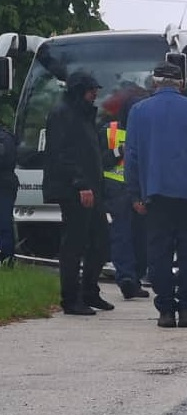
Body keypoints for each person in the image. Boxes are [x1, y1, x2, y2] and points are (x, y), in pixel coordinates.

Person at [124, 62, 187, 329]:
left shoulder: (138, 112)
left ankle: (166, 310)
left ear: (155, 82)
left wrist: (134, 193)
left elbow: (131, 157)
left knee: (159, 253)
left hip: (156, 194)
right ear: (181, 83)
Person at [41, 71, 114, 315]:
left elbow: (88, 154)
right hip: (74, 190)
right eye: (92, 90)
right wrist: (81, 183)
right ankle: (70, 299)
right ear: (79, 90)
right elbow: (62, 155)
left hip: (91, 188)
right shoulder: (63, 114)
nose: (96, 94)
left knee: (101, 243)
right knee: (74, 244)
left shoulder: (83, 115)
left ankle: (89, 292)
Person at [101, 81, 151, 299]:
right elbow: (100, 161)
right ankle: (127, 278)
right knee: (122, 235)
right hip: (117, 190)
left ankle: (136, 276)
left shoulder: (150, 134)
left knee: (142, 236)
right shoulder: (109, 131)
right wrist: (120, 150)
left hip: (142, 190)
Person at [0, 122, 18, 267]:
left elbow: (4, 159)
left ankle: (7, 258)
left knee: (4, 222)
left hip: (4, 185)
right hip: (6, 183)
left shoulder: (4, 138)